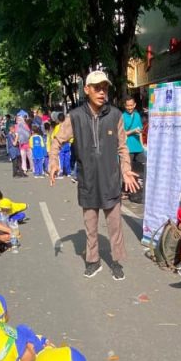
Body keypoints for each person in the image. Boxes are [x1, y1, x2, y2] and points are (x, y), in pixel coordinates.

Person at [49, 71, 140, 281]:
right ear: (87, 89)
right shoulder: (76, 116)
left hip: (110, 180)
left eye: (105, 88)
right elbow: (57, 141)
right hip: (87, 180)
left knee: (115, 225)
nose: (101, 91)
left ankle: (116, 262)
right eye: (97, 87)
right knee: (90, 226)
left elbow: (123, 147)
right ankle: (93, 261)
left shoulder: (116, 115)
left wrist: (126, 169)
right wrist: (53, 161)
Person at [123, 97, 144, 174]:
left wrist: (142, 145)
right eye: (128, 105)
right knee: (128, 170)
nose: (129, 107)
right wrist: (133, 131)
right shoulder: (122, 116)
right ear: (125, 105)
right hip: (128, 148)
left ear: (134, 105)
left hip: (138, 147)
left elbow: (140, 131)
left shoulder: (137, 115)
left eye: (131, 105)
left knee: (145, 166)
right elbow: (122, 133)